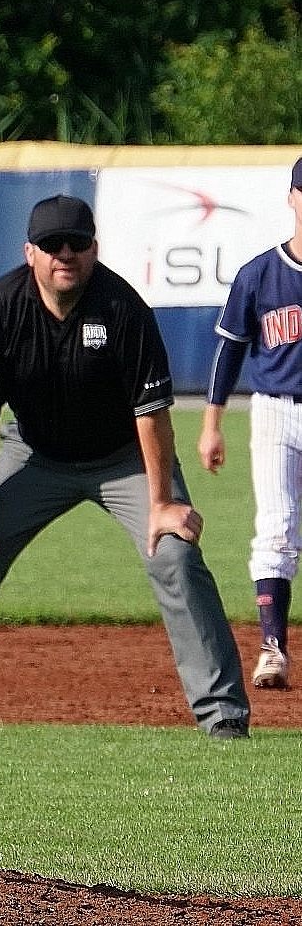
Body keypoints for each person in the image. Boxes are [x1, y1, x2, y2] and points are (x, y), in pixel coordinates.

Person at [0, 194, 251, 740]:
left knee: (174, 552)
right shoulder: (1, 308)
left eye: (77, 243)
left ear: (94, 249)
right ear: (29, 252)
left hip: (125, 456)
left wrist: (161, 504)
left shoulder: (123, 308)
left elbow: (151, 414)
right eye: (52, 244)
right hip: (34, 453)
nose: (65, 254)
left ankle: (223, 714)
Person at [197, 156, 302, 691]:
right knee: (277, 527)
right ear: (291, 198)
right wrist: (212, 424)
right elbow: (229, 352)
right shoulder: (260, 274)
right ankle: (273, 650)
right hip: (275, 410)